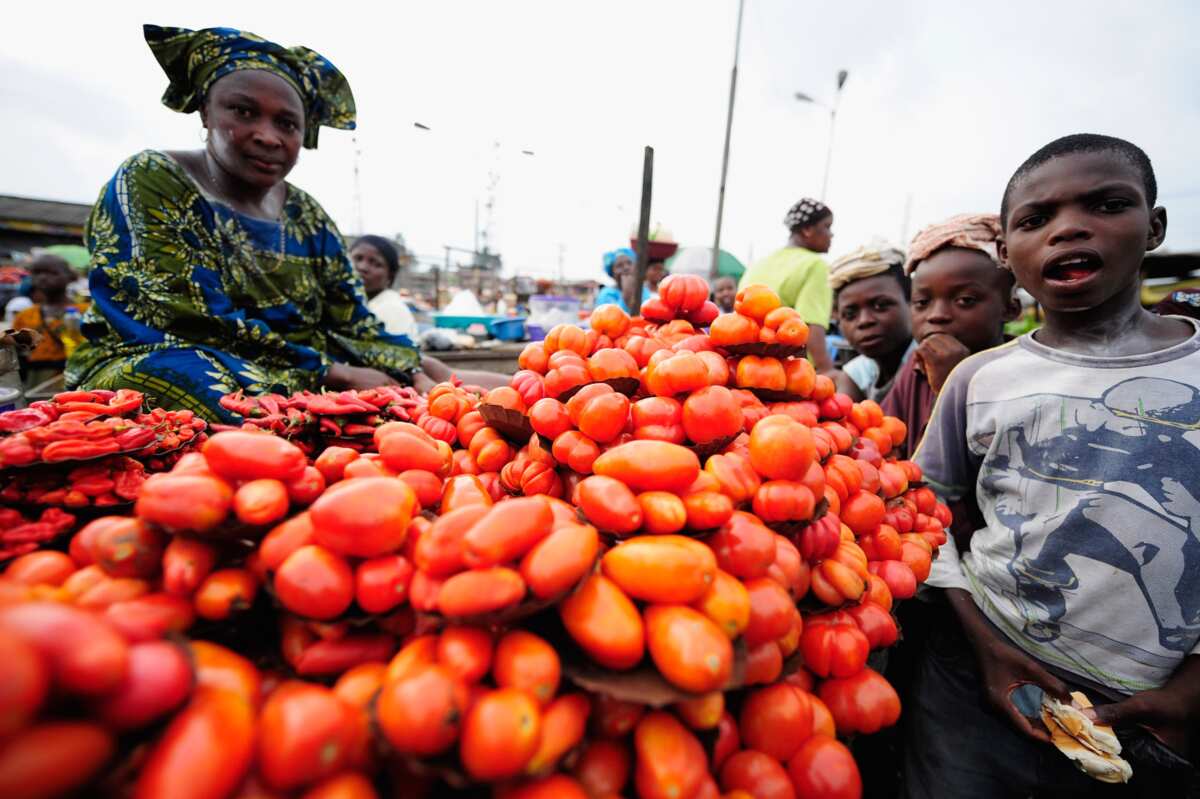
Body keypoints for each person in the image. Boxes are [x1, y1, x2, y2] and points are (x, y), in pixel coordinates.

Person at [904, 134, 1200, 798]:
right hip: (979, 676)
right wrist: (984, 649)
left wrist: (1192, 686)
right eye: (1037, 219)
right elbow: (922, 516)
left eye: (1106, 204)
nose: (1068, 227)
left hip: (1156, 705)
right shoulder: (980, 380)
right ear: (1008, 254)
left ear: (1153, 226)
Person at [880, 213, 1020, 457]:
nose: (937, 315)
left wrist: (950, 388)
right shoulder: (915, 368)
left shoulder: (1018, 378)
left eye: (965, 300)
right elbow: (883, 444)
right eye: (922, 302)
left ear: (1009, 309)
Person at [739, 198, 836, 372]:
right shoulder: (815, 265)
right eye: (827, 227)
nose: (832, 234)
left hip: (745, 367)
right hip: (788, 373)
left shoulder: (759, 263)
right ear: (807, 230)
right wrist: (827, 371)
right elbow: (811, 327)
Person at [827, 243, 914, 402]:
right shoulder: (858, 372)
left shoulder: (931, 362)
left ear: (912, 302)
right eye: (850, 314)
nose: (864, 321)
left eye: (880, 306)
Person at [12, 255, 88, 387]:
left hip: (78, 375)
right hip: (37, 379)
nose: (43, 277)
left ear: (69, 276)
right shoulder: (25, 315)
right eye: (36, 272)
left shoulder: (85, 311)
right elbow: (16, 350)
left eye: (52, 273)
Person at [350, 234, 418, 340]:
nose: (362, 267)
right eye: (358, 258)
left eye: (376, 264)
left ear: (390, 276)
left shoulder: (391, 310)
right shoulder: (352, 304)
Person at [594, 247, 651, 313]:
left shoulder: (643, 291)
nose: (626, 268)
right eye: (619, 266)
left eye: (629, 263)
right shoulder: (606, 294)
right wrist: (626, 294)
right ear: (612, 273)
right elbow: (610, 319)